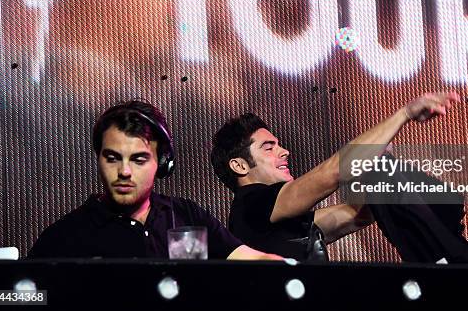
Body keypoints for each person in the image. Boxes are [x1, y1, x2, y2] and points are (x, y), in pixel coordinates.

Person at [211, 92, 468, 264]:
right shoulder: (251, 206)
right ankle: (451, 261)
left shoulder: (274, 221)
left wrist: (397, 179)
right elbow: (333, 172)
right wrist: (404, 114)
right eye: (269, 147)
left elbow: (356, 215)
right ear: (240, 166)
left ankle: (448, 257)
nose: (285, 151)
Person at [28, 101, 279, 260]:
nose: (124, 171)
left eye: (138, 159)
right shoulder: (68, 235)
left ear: (161, 163)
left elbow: (249, 259)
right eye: (113, 158)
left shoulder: (186, 215)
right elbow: (10, 298)